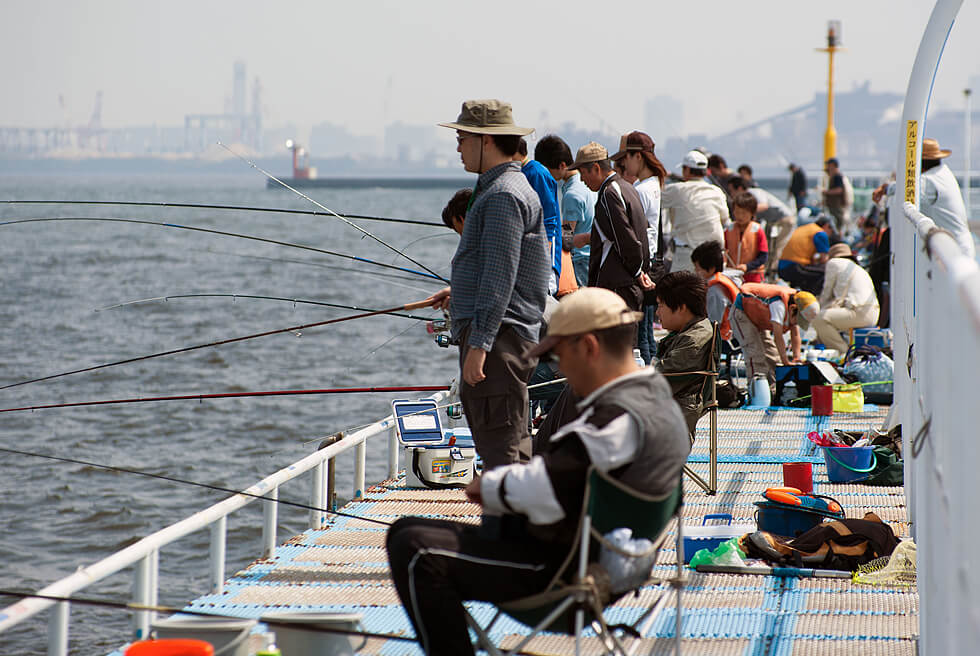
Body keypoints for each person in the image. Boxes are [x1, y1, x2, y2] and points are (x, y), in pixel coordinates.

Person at [386, 288, 691, 656]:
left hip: (560, 578)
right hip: (614, 564)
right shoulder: (659, 401)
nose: (560, 368)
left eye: (560, 355)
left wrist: (490, 485)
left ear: (589, 348)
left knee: (411, 544)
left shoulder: (615, 422)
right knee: (411, 532)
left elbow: (545, 490)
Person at [427, 99, 551, 470]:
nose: (458, 146)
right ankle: (516, 520)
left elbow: (500, 275)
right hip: (503, 334)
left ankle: (511, 524)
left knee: (503, 451)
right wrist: (460, 294)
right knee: (509, 438)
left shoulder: (502, 195)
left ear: (486, 140)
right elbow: (497, 268)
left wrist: (479, 344)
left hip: (500, 340)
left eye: (463, 137)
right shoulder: (499, 188)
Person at [570, 142, 654, 311]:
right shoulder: (627, 187)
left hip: (617, 285)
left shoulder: (609, 194)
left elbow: (625, 239)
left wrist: (638, 273)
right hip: (627, 284)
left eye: (582, 172)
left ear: (596, 168)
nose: (581, 179)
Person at [611, 131, 668, 364]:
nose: (624, 162)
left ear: (639, 157)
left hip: (642, 264)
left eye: (627, 157)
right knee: (645, 332)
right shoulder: (654, 185)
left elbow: (634, 234)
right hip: (653, 260)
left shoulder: (642, 190)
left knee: (640, 335)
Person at [872, 138, 975, 258]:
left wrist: (885, 189)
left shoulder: (931, 180)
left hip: (955, 250)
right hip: (955, 246)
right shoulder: (941, 173)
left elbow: (908, 188)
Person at [654, 271, 715, 437]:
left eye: (660, 305)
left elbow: (660, 376)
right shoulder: (692, 330)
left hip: (672, 414)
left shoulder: (693, 340)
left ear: (681, 308)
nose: (657, 313)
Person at [535, 134, 596, 288]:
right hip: (593, 259)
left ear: (562, 165)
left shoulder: (571, 195)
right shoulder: (587, 185)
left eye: (547, 170)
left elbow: (567, 239)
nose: (544, 176)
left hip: (580, 263)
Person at [730, 282, 810, 387]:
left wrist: (797, 357)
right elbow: (778, 337)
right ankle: (755, 391)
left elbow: (795, 334)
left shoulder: (798, 304)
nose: (796, 324)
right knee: (756, 355)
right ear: (792, 309)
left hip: (758, 317)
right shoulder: (779, 305)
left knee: (773, 357)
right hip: (742, 314)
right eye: (797, 320)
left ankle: (773, 389)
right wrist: (785, 361)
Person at [662, 149, 729, 272]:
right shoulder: (716, 192)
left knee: (679, 288)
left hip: (686, 255)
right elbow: (724, 219)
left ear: (687, 169)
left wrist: (660, 178)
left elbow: (655, 200)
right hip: (713, 256)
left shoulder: (676, 190)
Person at [810, 243, 880, 353]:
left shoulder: (834, 263)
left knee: (818, 319)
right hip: (872, 314)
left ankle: (843, 353)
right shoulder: (856, 267)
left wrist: (817, 311)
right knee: (829, 319)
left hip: (859, 312)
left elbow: (827, 293)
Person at [516, 138, 562, 294]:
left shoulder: (536, 172)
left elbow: (549, 217)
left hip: (545, 253)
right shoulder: (524, 172)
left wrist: (544, 251)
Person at [728, 174, 795, 278]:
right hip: (772, 222)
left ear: (740, 188)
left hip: (784, 220)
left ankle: (772, 273)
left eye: (732, 191)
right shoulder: (730, 229)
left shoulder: (754, 192)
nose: (732, 194)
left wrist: (747, 210)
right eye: (737, 212)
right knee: (771, 246)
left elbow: (764, 205)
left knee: (776, 247)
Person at [692, 240, 740, 341]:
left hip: (724, 338)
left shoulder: (714, 290)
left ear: (711, 269)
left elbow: (713, 323)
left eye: (698, 268)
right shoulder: (721, 278)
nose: (695, 272)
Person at [776, 216, 834, 294]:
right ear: (826, 226)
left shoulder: (803, 228)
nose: (830, 234)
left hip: (782, 267)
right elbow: (824, 259)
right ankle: (813, 298)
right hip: (794, 267)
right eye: (831, 231)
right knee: (825, 271)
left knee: (813, 271)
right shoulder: (820, 233)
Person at [723, 191, 768, 284]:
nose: (740, 216)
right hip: (732, 276)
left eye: (743, 213)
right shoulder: (729, 229)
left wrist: (748, 266)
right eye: (737, 212)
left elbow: (763, 256)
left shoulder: (757, 230)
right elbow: (723, 251)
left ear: (752, 213)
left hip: (753, 276)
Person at [822, 158, 851, 233]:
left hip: (837, 206)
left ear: (833, 165)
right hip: (833, 205)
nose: (827, 167)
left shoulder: (838, 176)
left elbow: (839, 190)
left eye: (829, 165)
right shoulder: (833, 176)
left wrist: (826, 192)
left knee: (838, 225)